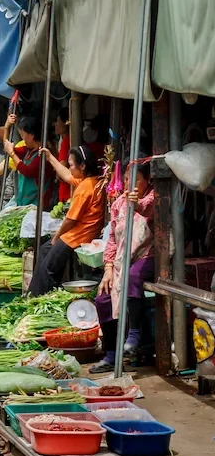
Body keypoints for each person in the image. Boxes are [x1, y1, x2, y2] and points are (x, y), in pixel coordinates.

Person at [90, 157, 154, 374]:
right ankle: (111, 354)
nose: (129, 184)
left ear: (147, 180)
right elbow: (112, 241)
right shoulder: (118, 204)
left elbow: (147, 210)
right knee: (102, 297)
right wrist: (107, 269)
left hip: (147, 255)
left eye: (135, 180)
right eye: (126, 179)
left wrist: (137, 203)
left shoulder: (156, 197)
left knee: (133, 277)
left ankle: (134, 334)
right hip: (120, 259)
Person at [29, 145, 105, 296]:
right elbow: (66, 175)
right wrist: (50, 157)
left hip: (78, 237)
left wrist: (56, 237)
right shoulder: (92, 181)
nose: (69, 168)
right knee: (44, 251)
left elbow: (70, 220)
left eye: (71, 165)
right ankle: (33, 293)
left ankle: (39, 297)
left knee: (48, 268)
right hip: (79, 233)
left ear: (82, 166)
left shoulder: (85, 189)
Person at [0, 117, 53, 208]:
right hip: (25, 203)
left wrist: (12, 153)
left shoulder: (42, 155)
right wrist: (6, 127)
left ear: (31, 135)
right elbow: (7, 147)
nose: (22, 139)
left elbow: (26, 171)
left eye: (23, 135)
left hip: (38, 204)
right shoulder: (28, 150)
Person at [55, 109, 71, 203]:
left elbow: (61, 172)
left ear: (66, 123)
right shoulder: (64, 141)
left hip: (66, 191)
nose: (55, 124)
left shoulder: (66, 142)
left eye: (58, 121)